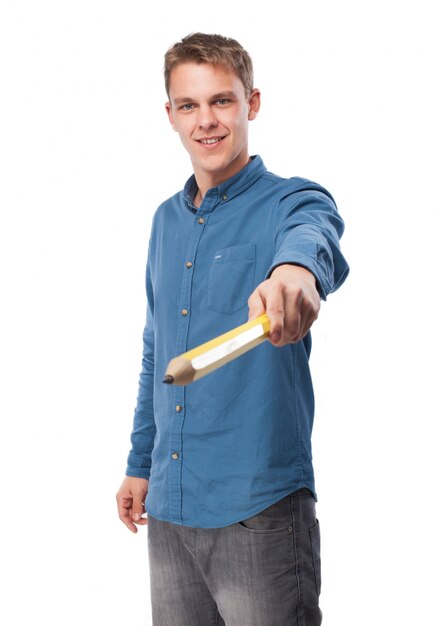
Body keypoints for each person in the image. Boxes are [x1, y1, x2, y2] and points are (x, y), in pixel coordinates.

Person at [116, 32, 349, 626]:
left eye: (222, 100)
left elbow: (313, 236)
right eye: (189, 105)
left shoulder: (290, 202)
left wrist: (295, 271)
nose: (207, 121)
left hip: (260, 510)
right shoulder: (165, 222)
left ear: (253, 103)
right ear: (169, 115)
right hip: (170, 508)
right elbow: (157, 351)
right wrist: (141, 463)